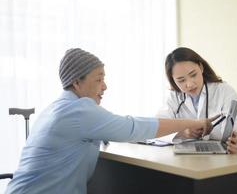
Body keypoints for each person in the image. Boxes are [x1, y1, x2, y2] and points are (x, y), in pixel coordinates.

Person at [5, 48, 219, 194]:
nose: (105, 86)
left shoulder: (58, 108)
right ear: (77, 82)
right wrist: (193, 122)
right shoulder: (78, 111)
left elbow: (106, 129)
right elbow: (134, 127)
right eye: (98, 79)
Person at [156, 47, 237, 154]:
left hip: (220, 158)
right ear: (173, 80)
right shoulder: (174, 97)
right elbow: (157, 129)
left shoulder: (224, 91)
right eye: (181, 80)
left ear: (201, 67)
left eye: (193, 75)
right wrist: (182, 133)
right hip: (185, 160)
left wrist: (236, 141)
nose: (190, 84)